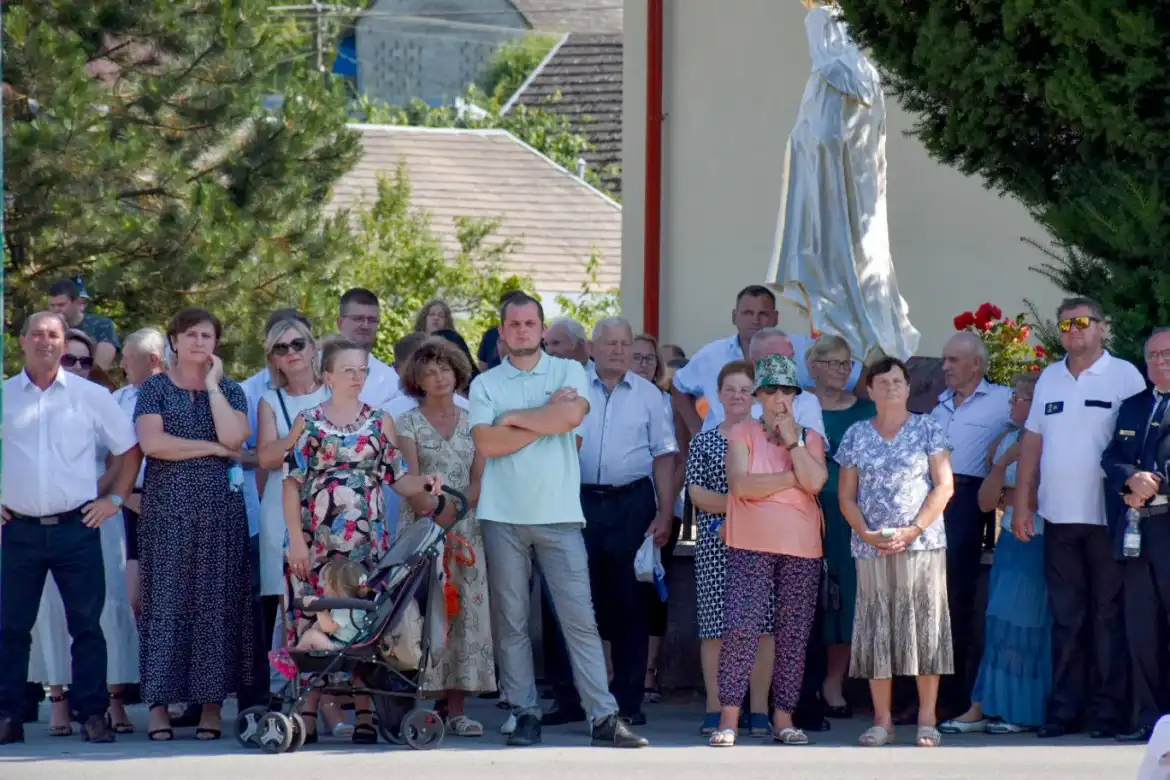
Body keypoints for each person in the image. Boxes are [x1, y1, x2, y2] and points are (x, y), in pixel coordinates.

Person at [469, 292, 648, 748]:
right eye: (515, 324)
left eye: (531, 323)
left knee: (580, 620)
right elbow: (487, 445)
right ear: (503, 330)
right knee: (511, 622)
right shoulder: (485, 383)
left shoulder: (569, 371)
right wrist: (543, 419)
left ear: (542, 328)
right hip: (502, 515)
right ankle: (524, 712)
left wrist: (512, 420)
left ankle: (603, 718)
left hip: (560, 516)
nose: (524, 331)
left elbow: (570, 416)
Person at [283, 338, 446, 744]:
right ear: (328, 376)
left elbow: (397, 478)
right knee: (314, 617)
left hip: (366, 542)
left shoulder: (379, 420)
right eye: (348, 371)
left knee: (361, 624)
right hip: (317, 541)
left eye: (362, 371)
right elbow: (291, 484)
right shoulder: (308, 421)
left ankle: (364, 712)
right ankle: (307, 707)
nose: (357, 378)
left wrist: (424, 481)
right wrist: (295, 542)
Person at [0, 311, 140, 745]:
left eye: (54, 335)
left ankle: (92, 714)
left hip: (76, 527)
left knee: (87, 625)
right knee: (10, 627)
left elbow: (129, 450)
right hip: (18, 530)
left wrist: (114, 500)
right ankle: (8, 716)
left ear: (64, 343)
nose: (45, 341)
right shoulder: (4, 396)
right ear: (23, 341)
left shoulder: (89, 396)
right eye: (37, 334)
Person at [1014, 297, 1145, 739]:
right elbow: (1032, 441)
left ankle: (1108, 713)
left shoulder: (1125, 375)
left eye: (1084, 322)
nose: (1073, 330)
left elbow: (1138, 439)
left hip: (1107, 518)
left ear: (1103, 328)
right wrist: (1022, 502)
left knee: (1108, 618)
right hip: (1059, 517)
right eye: (1066, 323)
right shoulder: (1050, 377)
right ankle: (1064, 711)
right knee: (1066, 618)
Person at [135, 307, 254, 742]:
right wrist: (211, 448)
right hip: (167, 511)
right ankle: (159, 708)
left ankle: (210, 707)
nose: (199, 342)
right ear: (174, 341)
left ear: (216, 344)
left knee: (216, 606)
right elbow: (154, 444)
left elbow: (235, 440)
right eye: (190, 335)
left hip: (219, 513)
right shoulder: (155, 388)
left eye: (207, 335)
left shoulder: (232, 390)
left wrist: (211, 386)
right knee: (165, 604)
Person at [708, 355, 828, 747]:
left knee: (793, 634)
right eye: (771, 390)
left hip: (802, 547)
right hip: (750, 543)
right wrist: (791, 478)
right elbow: (741, 485)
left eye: (787, 390)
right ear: (758, 395)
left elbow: (816, 483)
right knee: (742, 627)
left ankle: (784, 718)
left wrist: (792, 441)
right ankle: (728, 718)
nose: (779, 397)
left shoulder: (809, 437)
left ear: (796, 395)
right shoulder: (742, 433)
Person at [835, 356, 955, 748]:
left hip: (922, 545)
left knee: (925, 628)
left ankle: (926, 719)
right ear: (869, 390)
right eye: (882, 382)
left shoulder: (927, 429)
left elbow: (944, 486)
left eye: (898, 381)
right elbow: (846, 496)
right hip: (872, 548)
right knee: (876, 631)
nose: (891, 388)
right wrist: (865, 533)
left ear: (908, 388)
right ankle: (882, 721)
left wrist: (915, 528)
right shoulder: (855, 434)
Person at [578, 317, 678, 725]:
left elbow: (665, 455)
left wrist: (665, 512)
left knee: (630, 605)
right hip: (578, 501)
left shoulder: (650, 395)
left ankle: (629, 701)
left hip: (632, 503)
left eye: (625, 343)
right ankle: (572, 699)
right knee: (575, 601)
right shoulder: (572, 387)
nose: (618, 351)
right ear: (592, 347)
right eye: (610, 343)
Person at [396, 337, 495, 737]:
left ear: (457, 372)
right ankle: (418, 702)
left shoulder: (476, 420)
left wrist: (458, 513)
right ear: (416, 380)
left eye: (444, 369)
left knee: (466, 618)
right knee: (423, 615)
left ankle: (457, 708)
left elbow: (479, 479)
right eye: (428, 371)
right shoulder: (406, 423)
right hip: (423, 529)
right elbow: (410, 477)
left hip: (467, 531)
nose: (438, 377)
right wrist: (437, 516)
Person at [942, 373, 1051, 735]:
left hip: (1036, 540)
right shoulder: (1007, 439)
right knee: (996, 620)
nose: (1011, 405)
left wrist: (1011, 493)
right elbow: (987, 501)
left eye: (1019, 399)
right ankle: (983, 704)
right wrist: (1004, 464)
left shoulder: (1051, 440)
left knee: (1023, 624)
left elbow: (1037, 499)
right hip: (1008, 540)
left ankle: (1019, 711)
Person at [687, 360, 779, 736]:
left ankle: (758, 710)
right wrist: (740, 505)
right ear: (719, 395)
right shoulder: (704, 441)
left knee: (762, 627)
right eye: (731, 389)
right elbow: (695, 493)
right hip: (714, 542)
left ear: (755, 395)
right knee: (715, 628)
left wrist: (745, 506)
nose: (738, 396)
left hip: (762, 542)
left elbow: (778, 490)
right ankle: (715, 707)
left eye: (745, 389)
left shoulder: (769, 439)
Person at [930, 331, 1012, 715]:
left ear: (976, 364)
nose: (945, 367)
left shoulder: (1001, 401)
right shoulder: (939, 405)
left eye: (953, 360)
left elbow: (1022, 436)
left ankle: (957, 697)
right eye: (944, 360)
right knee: (930, 597)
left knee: (956, 597)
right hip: (932, 498)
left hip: (970, 501)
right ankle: (929, 695)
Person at [1102, 326, 1170, 743]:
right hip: (1136, 531)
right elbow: (1112, 456)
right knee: (1141, 628)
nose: (1160, 362)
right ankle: (1149, 719)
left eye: (1168, 354)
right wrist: (1131, 479)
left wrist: (1157, 482)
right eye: (1154, 356)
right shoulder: (1133, 406)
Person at [808, 334, 875, 716]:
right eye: (832, 363)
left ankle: (833, 683)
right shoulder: (800, 406)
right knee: (802, 600)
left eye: (847, 364)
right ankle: (798, 681)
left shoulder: (865, 412)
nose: (841, 370)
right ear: (813, 366)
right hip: (801, 518)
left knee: (847, 599)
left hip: (851, 520)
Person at [256, 318, 329, 645]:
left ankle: (333, 679)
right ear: (273, 359)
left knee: (333, 586)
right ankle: (287, 683)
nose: (291, 352)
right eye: (281, 348)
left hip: (332, 501)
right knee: (287, 593)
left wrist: (290, 442)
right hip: (281, 504)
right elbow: (266, 458)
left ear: (313, 348)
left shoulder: (335, 390)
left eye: (298, 344)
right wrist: (302, 431)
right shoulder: (270, 401)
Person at [672, 285, 778, 440]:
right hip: (717, 450)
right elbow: (678, 385)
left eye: (763, 314)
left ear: (775, 318)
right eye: (747, 313)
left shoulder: (788, 356)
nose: (755, 320)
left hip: (768, 452)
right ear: (735, 317)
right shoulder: (712, 355)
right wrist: (697, 431)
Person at [114, 328, 168, 616]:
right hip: (128, 500)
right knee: (133, 597)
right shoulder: (117, 399)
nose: (122, 365)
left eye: (128, 359)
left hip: (170, 500)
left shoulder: (179, 395)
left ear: (153, 359)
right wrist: (122, 497)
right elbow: (106, 456)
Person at [336, 288, 402, 409]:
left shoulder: (390, 381)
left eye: (372, 320)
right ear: (340, 323)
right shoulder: (314, 368)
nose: (365, 325)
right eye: (358, 319)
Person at [294, 559, 368, 651]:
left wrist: (319, 608)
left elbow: (329, 627)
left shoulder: (347, 609)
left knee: (312, 636)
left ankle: (294, 656)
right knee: (315, 627)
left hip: (342, 647)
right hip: (340, 641)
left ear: (334, 588)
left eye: (325, 584)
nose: (322, 585)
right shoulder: (351, 603)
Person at [47, 278, 120, 371]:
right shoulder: (46, 328)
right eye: (52, 305)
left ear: (76, 303)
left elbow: (101, 368)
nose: (56, 310)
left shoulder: (101, 325)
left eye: (61, 305)